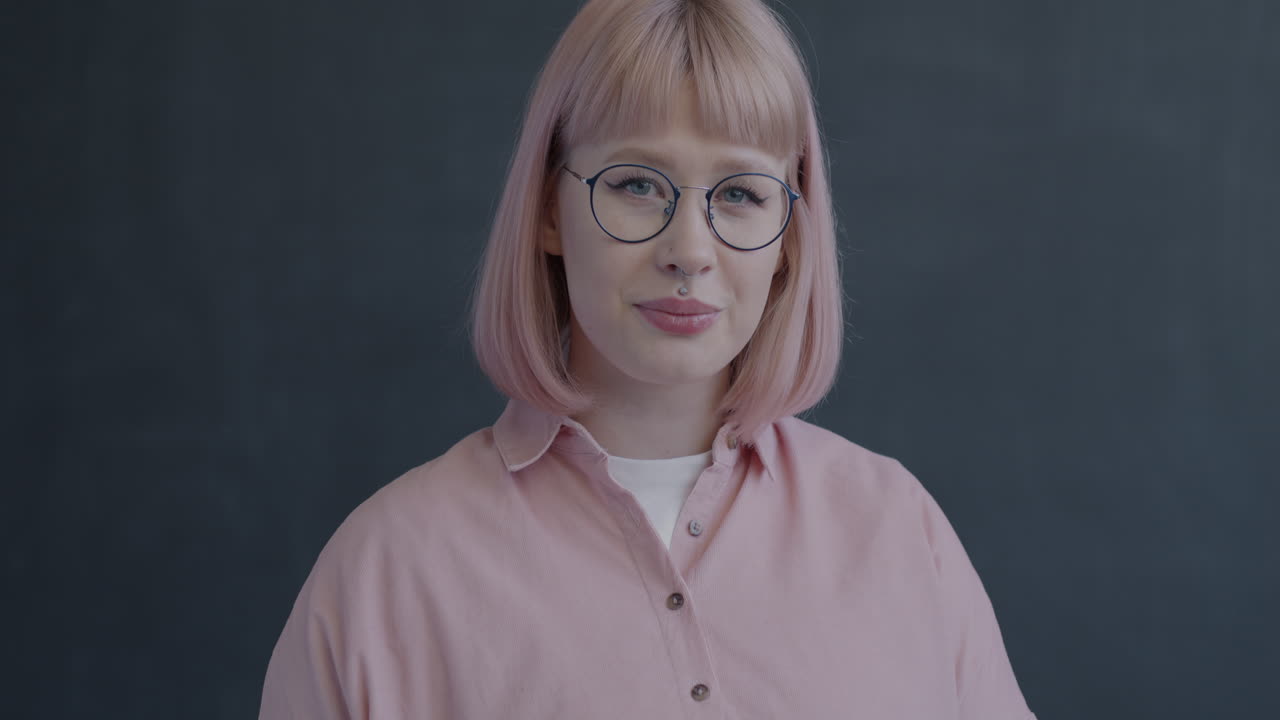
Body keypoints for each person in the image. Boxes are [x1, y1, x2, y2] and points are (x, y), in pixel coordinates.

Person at [258, 0, 1037, 717]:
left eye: (740, 194)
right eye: (636, 183)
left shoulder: (899, 533)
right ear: (547, 212)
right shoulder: (387, 570)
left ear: (790, 240)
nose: (688, 251)